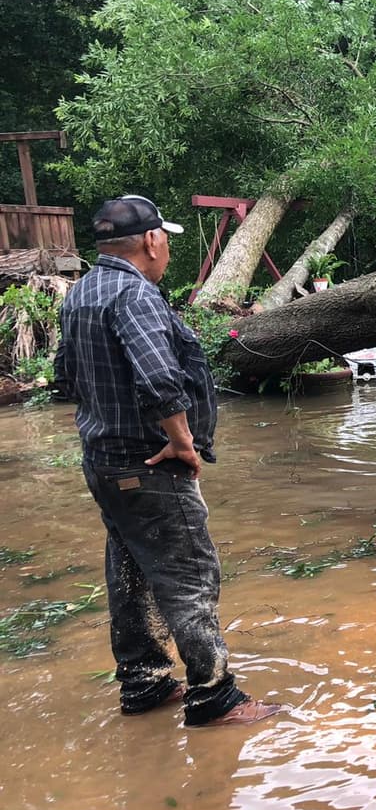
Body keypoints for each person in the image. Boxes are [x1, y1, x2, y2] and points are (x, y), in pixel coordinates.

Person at [54, 195, 284, 727]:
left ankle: (145, 683)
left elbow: (65, 376)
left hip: (104, 460)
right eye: (168, 240)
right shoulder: (135, 295)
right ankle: (214, 697)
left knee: (131, 569)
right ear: (152, 241)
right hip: (151, 461)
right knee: (188, 574)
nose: (169, 250)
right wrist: (182, 441)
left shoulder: (81, 293)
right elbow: (159, 379)